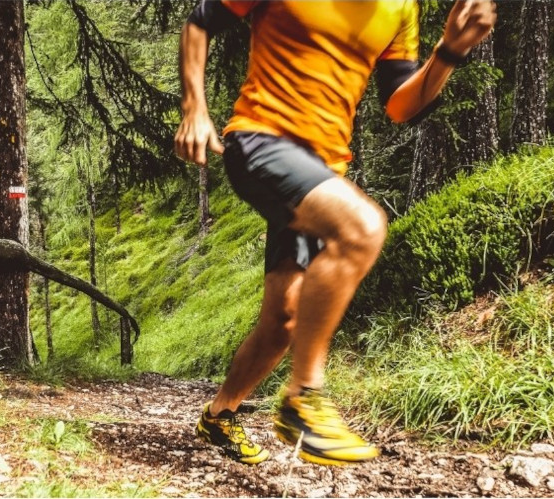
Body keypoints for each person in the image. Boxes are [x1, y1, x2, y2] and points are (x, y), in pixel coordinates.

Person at [175, 0, 496, 465]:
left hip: (320, 169)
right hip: (259, 140)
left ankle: (219, 414)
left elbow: (400, 105)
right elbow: (199, 22)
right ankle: (305, 397)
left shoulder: (401, 6)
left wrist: (447, 52)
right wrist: (195, 109)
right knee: (361, 228)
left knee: (282, 320)